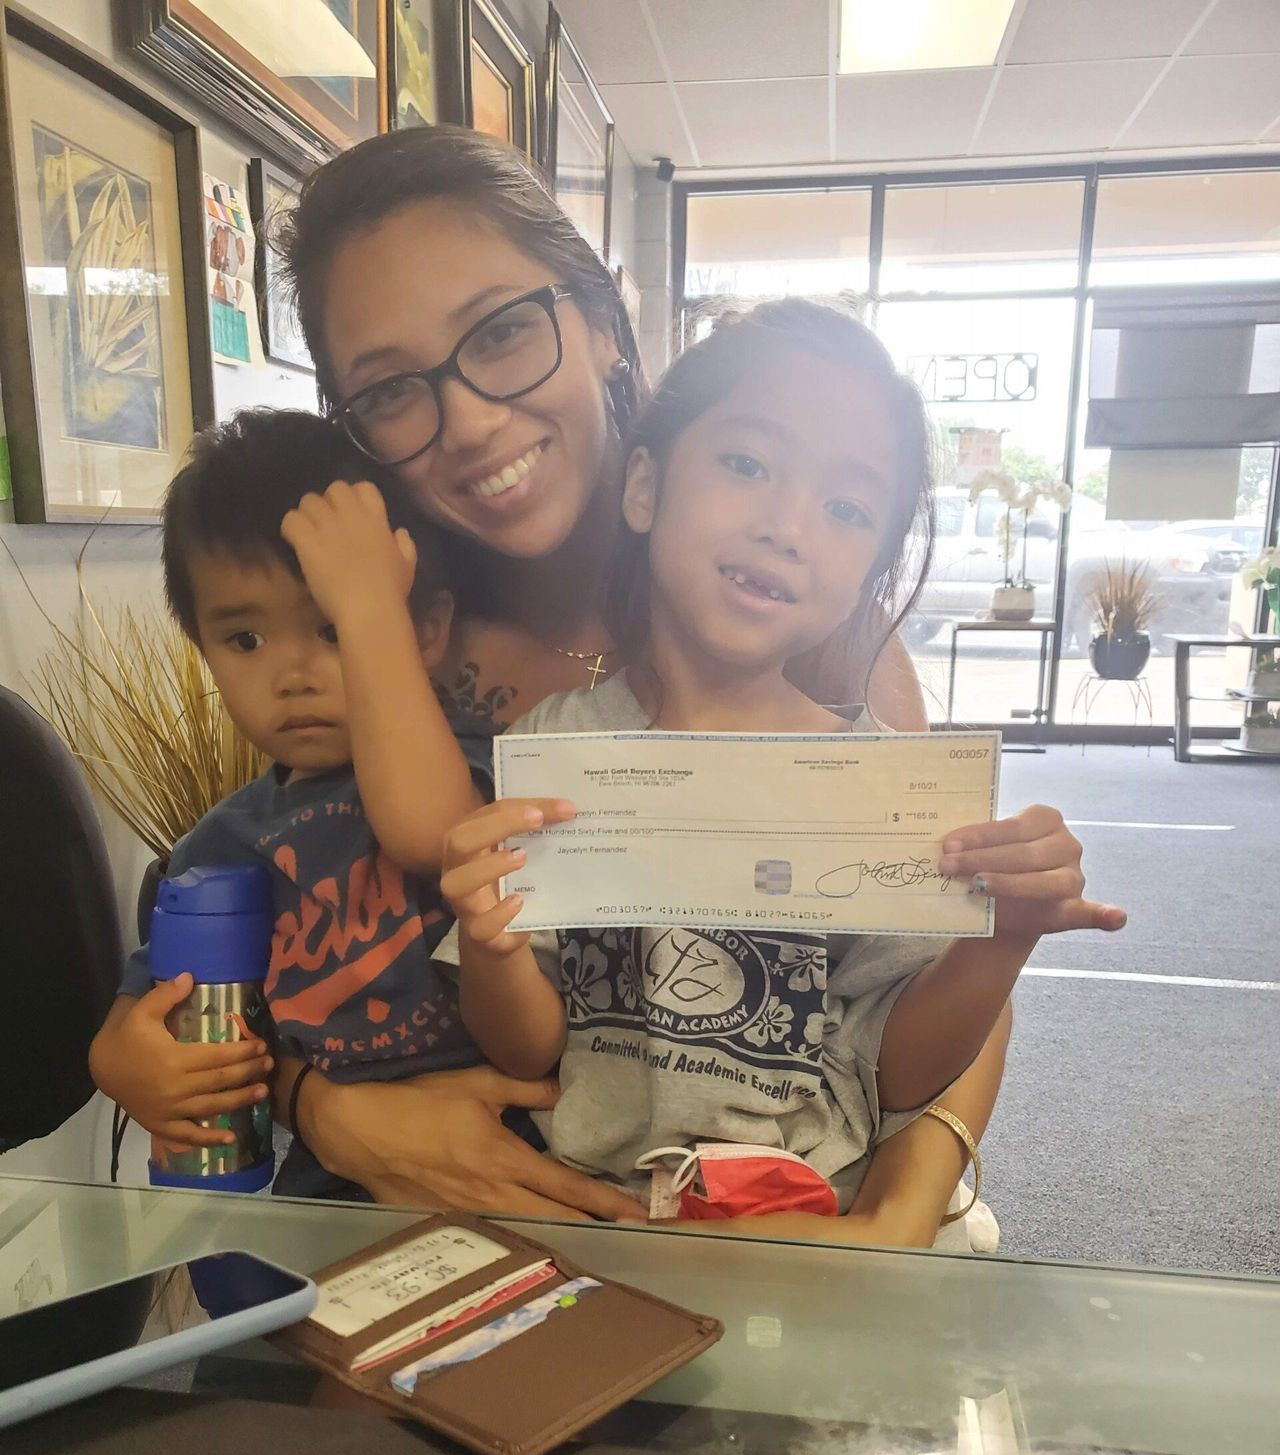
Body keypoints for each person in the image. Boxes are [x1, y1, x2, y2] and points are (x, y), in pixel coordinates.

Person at [268, 124, 1008, 1223]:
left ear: (603, 323)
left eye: (504, 332)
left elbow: (921, 948)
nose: (466, 421)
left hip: (797, 1218)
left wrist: (905, 1204)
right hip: (470, 1219)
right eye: (389, 392)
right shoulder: (379, 643)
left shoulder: (788, 597)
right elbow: (274, 909)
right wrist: (312, 1104)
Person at [438, 301, 1125, 1246]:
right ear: (644, 488)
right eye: (748, 464)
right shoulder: (561, 746)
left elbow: (901, 1076)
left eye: (847, 509)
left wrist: (1000, 941)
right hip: (600, 1212)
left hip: (819, 1212)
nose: (788, 526)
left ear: (865, 573)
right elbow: (528, 1047)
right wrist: (491, 942)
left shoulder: (877, 784)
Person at [88, 409, 498, 1201]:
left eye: (333, 627)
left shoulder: (476, 766)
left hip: (507, 1161)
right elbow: (141, 1009)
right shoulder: (223, 844)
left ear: (426, 628)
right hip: (331, 1188)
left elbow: (437, 833)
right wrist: (126, 1064)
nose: (292, 675)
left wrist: (373, 609)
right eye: (244, 640)